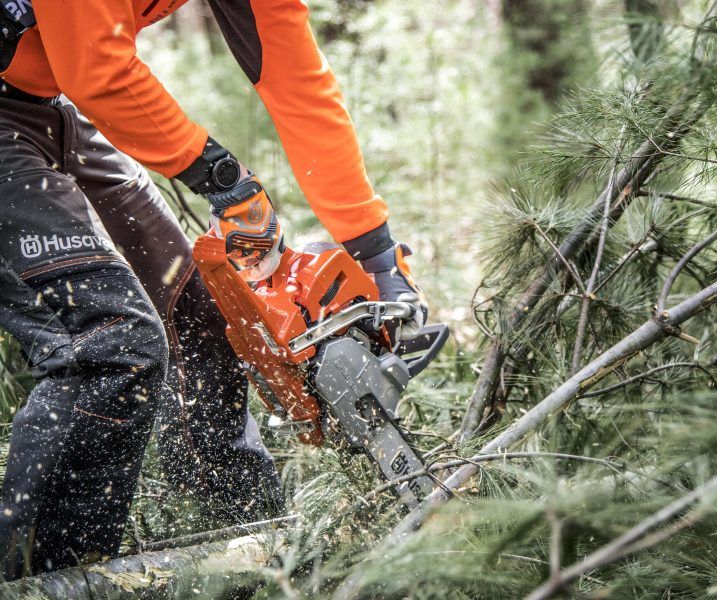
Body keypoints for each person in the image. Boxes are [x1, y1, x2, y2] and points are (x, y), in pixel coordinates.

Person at [0, 0, 427, 579]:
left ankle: (244, 541)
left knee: (197, 309)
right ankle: (41, 577)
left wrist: (376, 254)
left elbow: (296, 84)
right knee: (110, 341)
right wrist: (223, 178)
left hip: (42, 106)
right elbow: (96, 68)